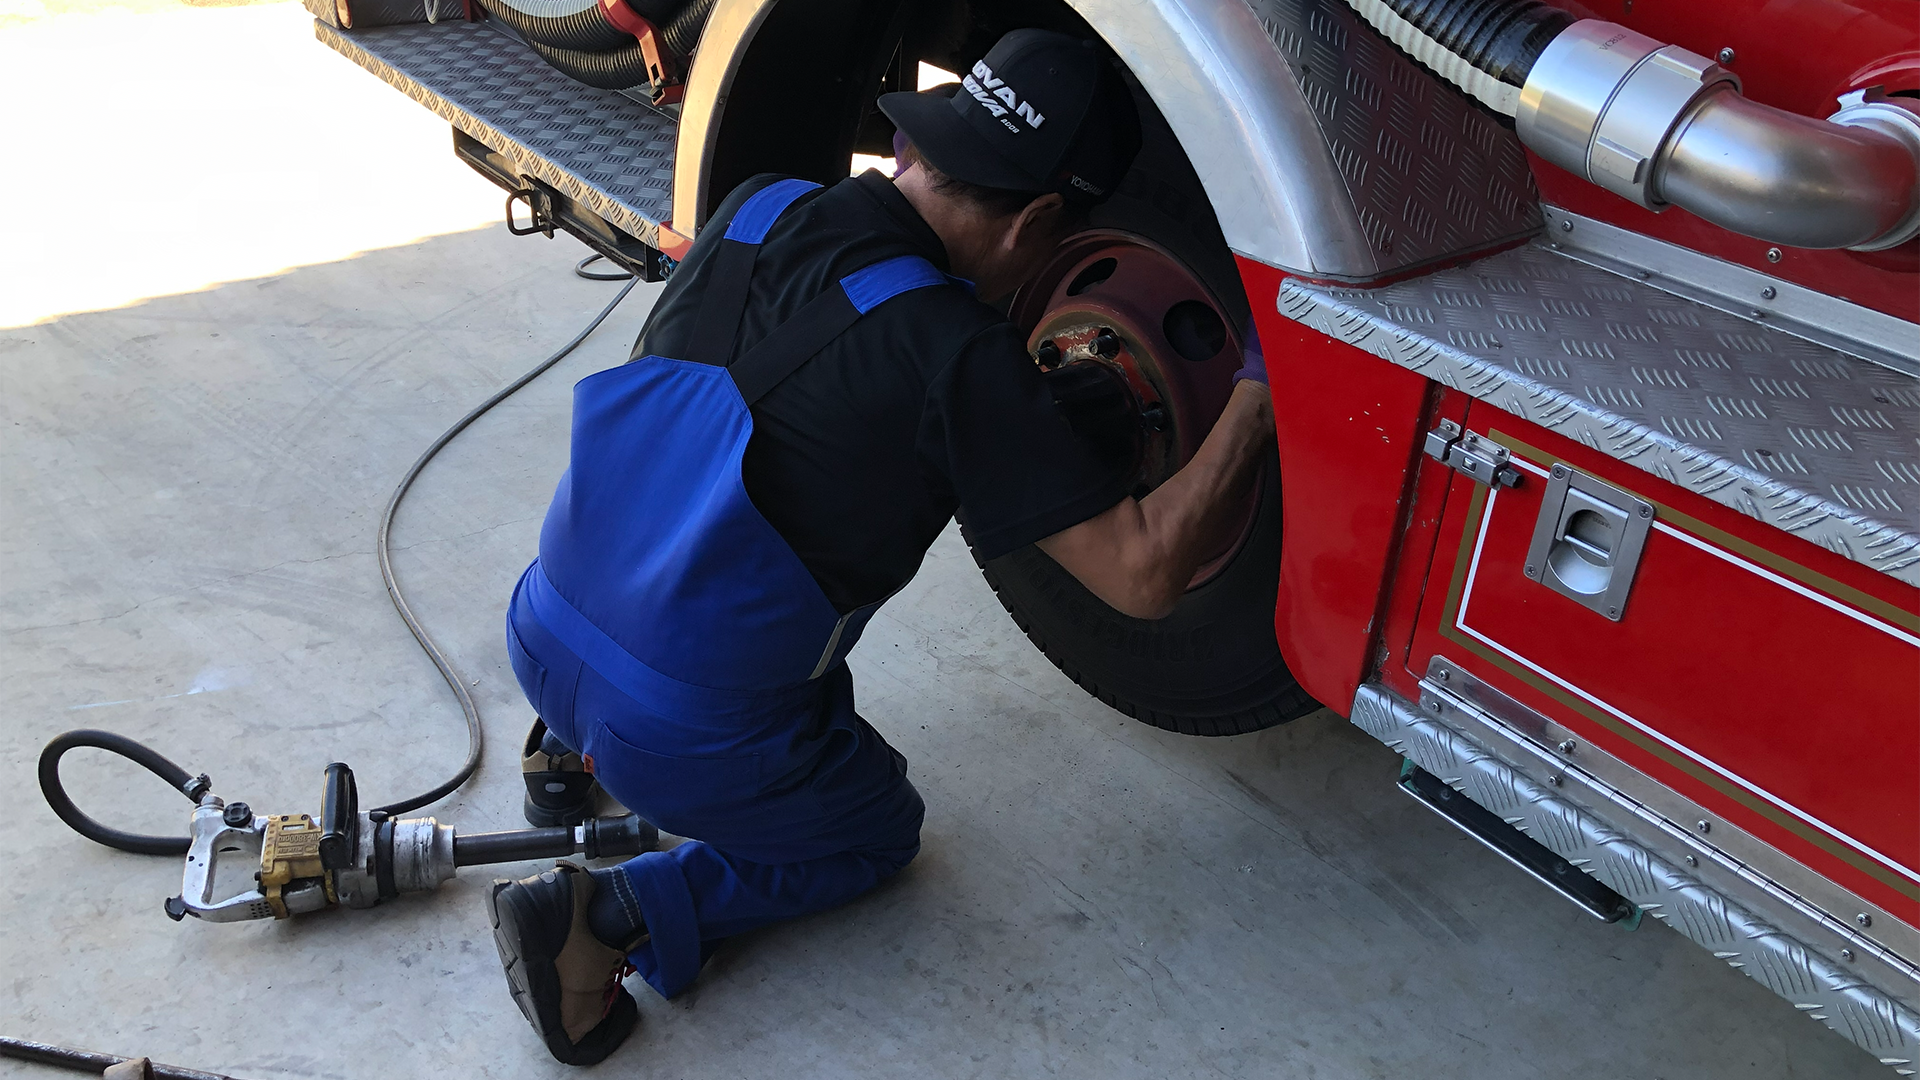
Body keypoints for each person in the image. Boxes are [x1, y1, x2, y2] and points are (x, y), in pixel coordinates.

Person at [487, 27, 1275, 1066]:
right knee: (871, 830)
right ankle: (609, 918)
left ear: (917, 149)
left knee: (714, 512)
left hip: (541, 626)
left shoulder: (757, 204)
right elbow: (1142, 576)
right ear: (1042, 219)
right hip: (675, 731)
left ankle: (570, 742)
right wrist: (1263, 389)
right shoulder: (957, 353)